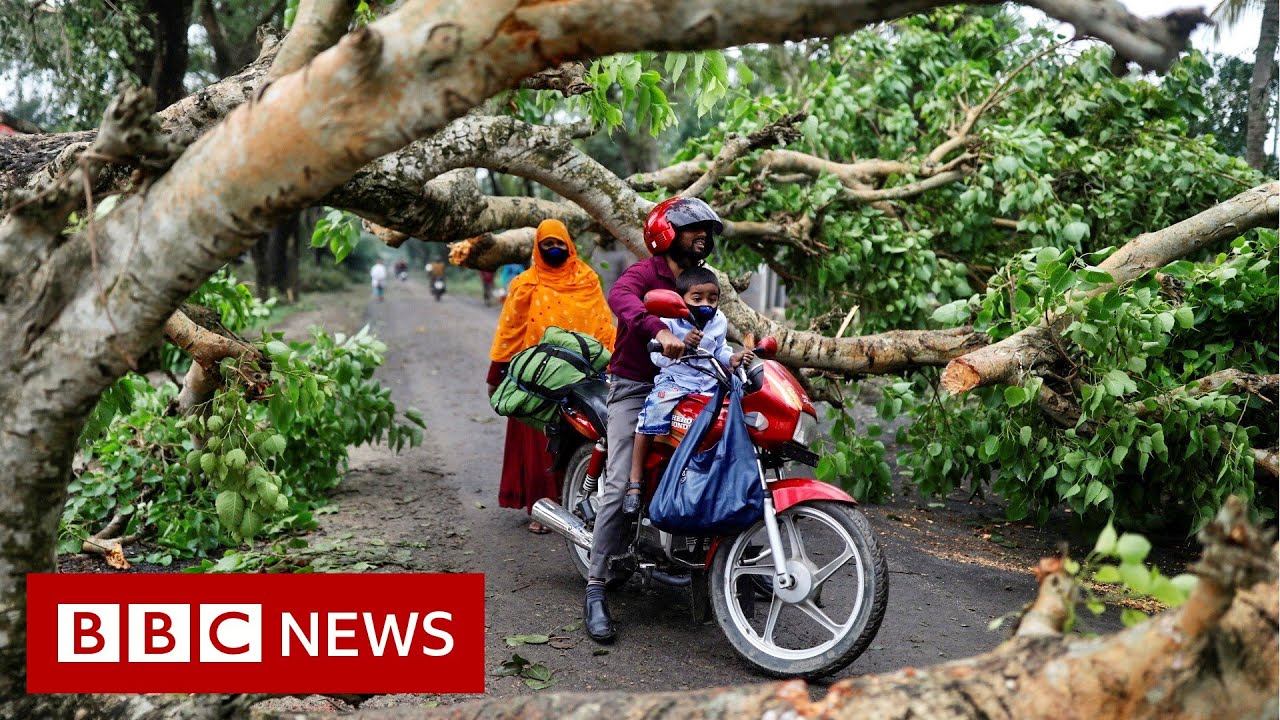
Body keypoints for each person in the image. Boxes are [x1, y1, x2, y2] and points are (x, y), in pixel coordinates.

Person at [584, 196, 723, 643]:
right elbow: (620, 297)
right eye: (692, 228)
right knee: (621, 480)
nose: (702, 235)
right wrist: (658, 330)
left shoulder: (705, 281)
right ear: (666, 233)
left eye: (707, 229)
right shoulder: (646, 274)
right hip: (637, 387)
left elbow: (719, 325)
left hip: (693, 384)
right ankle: (596, 586)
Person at [487, 219, 617, 533]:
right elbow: (510, 329)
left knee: (580, 442)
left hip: (581, 377)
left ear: (569, 246)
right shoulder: (526, 283)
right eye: (547, 245)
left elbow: (601, 324)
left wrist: (610, 363)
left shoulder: (586, 280)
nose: (554, 250)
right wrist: (496, 372)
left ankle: (581, 507)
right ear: (538, 248)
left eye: (559, 244)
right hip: (538, 380)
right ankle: (542, 509)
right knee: (539, 447)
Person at [624, 267, 753, 514]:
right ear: (680, 299)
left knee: (724, 424)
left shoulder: (719, 321)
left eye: (712, 299)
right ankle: (635, 480)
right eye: (697, 298)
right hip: (675, 381)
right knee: (650, 417)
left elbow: (719, 349)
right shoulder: (668, 321)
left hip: (707, 383)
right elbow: (658, 360)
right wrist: (680, 345)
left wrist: (733, 359)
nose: (706, 304)